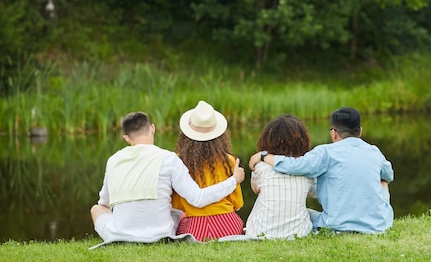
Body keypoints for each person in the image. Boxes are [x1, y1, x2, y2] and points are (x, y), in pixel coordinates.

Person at [90, 111, 245, 246]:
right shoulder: (168, 159)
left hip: (120, 235)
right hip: (161, 234)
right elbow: (198, 198)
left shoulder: (113, 160)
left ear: (126, 138)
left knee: (97, 209)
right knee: (176, 211)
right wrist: (233, 181)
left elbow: (104, 203)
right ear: (152, 128)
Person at [248, 107, 393, 233]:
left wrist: (264, 156)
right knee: (383, 181)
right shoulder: (375, 151)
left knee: (304, 213)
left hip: (338, 225)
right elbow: (388, 175)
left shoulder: (326, 152)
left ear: (333, 133)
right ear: (360, 131)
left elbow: (296, 166)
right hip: (378, 225)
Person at [171, 101, 245, 240]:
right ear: (219, 136)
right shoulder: (229, 161)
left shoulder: (177, 162)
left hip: (195, 229)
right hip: (229, 226)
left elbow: (176, 205)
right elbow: (238, 204)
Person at [246, 114, 316, 239]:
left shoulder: (260, 167)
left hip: (258, 232)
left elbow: (256, 189)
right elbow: (314, 192)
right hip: (298, 234)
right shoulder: (306, 170)